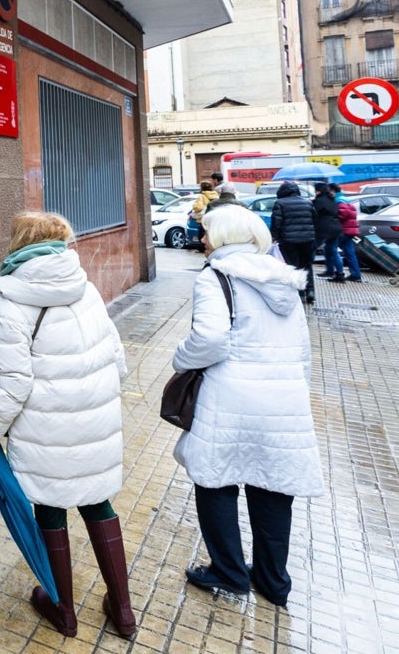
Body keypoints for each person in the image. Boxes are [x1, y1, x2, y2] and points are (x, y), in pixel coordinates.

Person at [0, 212, 136, 639]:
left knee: (49, 507)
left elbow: (13, 382)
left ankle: (64, 611)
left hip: (47, 428)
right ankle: (123, 611)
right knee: (98, 503)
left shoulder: (12, 301)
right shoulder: (86, 287)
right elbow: (118, 361)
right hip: (95, 420)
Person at [172, 204, 324, 607]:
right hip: (283, 399)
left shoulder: (214, 277)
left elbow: (209, 339)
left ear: (220, 237)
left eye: (206, 233)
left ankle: (228, 570)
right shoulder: (284, 278)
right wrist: (294, 390)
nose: (201, 240)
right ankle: (273, 582)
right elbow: (304, 350)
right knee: (272, 487)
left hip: (230, 398)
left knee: (215, 480)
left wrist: (179, 359)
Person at [269, 181, 317, 304]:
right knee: (306, 265)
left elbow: (276, 223)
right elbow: (315, 220)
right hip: (308, 239)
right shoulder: (307, 202)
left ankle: (299, 293)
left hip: (289, 240)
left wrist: (274, 236)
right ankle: (310, 291)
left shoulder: (280, 203)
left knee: (293, 266)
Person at [313, 183, 343, 280]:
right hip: (335, 228)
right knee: (333, 251)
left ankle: (308, 268)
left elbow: (313, 214)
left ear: (319, 191)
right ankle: (339, 274)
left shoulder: (318, 201)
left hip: (323, 229)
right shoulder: (332, 200)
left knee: (312, 248)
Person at [333, 186, 363, 282]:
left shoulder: (339, 201)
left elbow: (342, 215)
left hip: (343, 230)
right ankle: (356, 275)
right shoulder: (347, 200)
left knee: (332, 250)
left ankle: (338, 273)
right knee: (350, 253)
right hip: (350, 231)